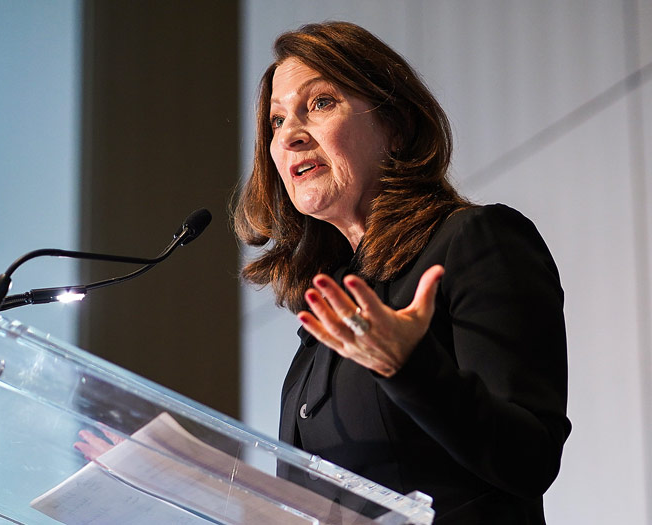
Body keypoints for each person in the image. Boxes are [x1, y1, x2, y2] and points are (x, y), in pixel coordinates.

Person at [234, 21, 570, 524]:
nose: (290, 137)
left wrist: (408, 367)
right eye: (276, 122)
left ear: (395, 124)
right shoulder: (330, 308)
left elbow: (529, 458)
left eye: (320, 103)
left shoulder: (477, 241)